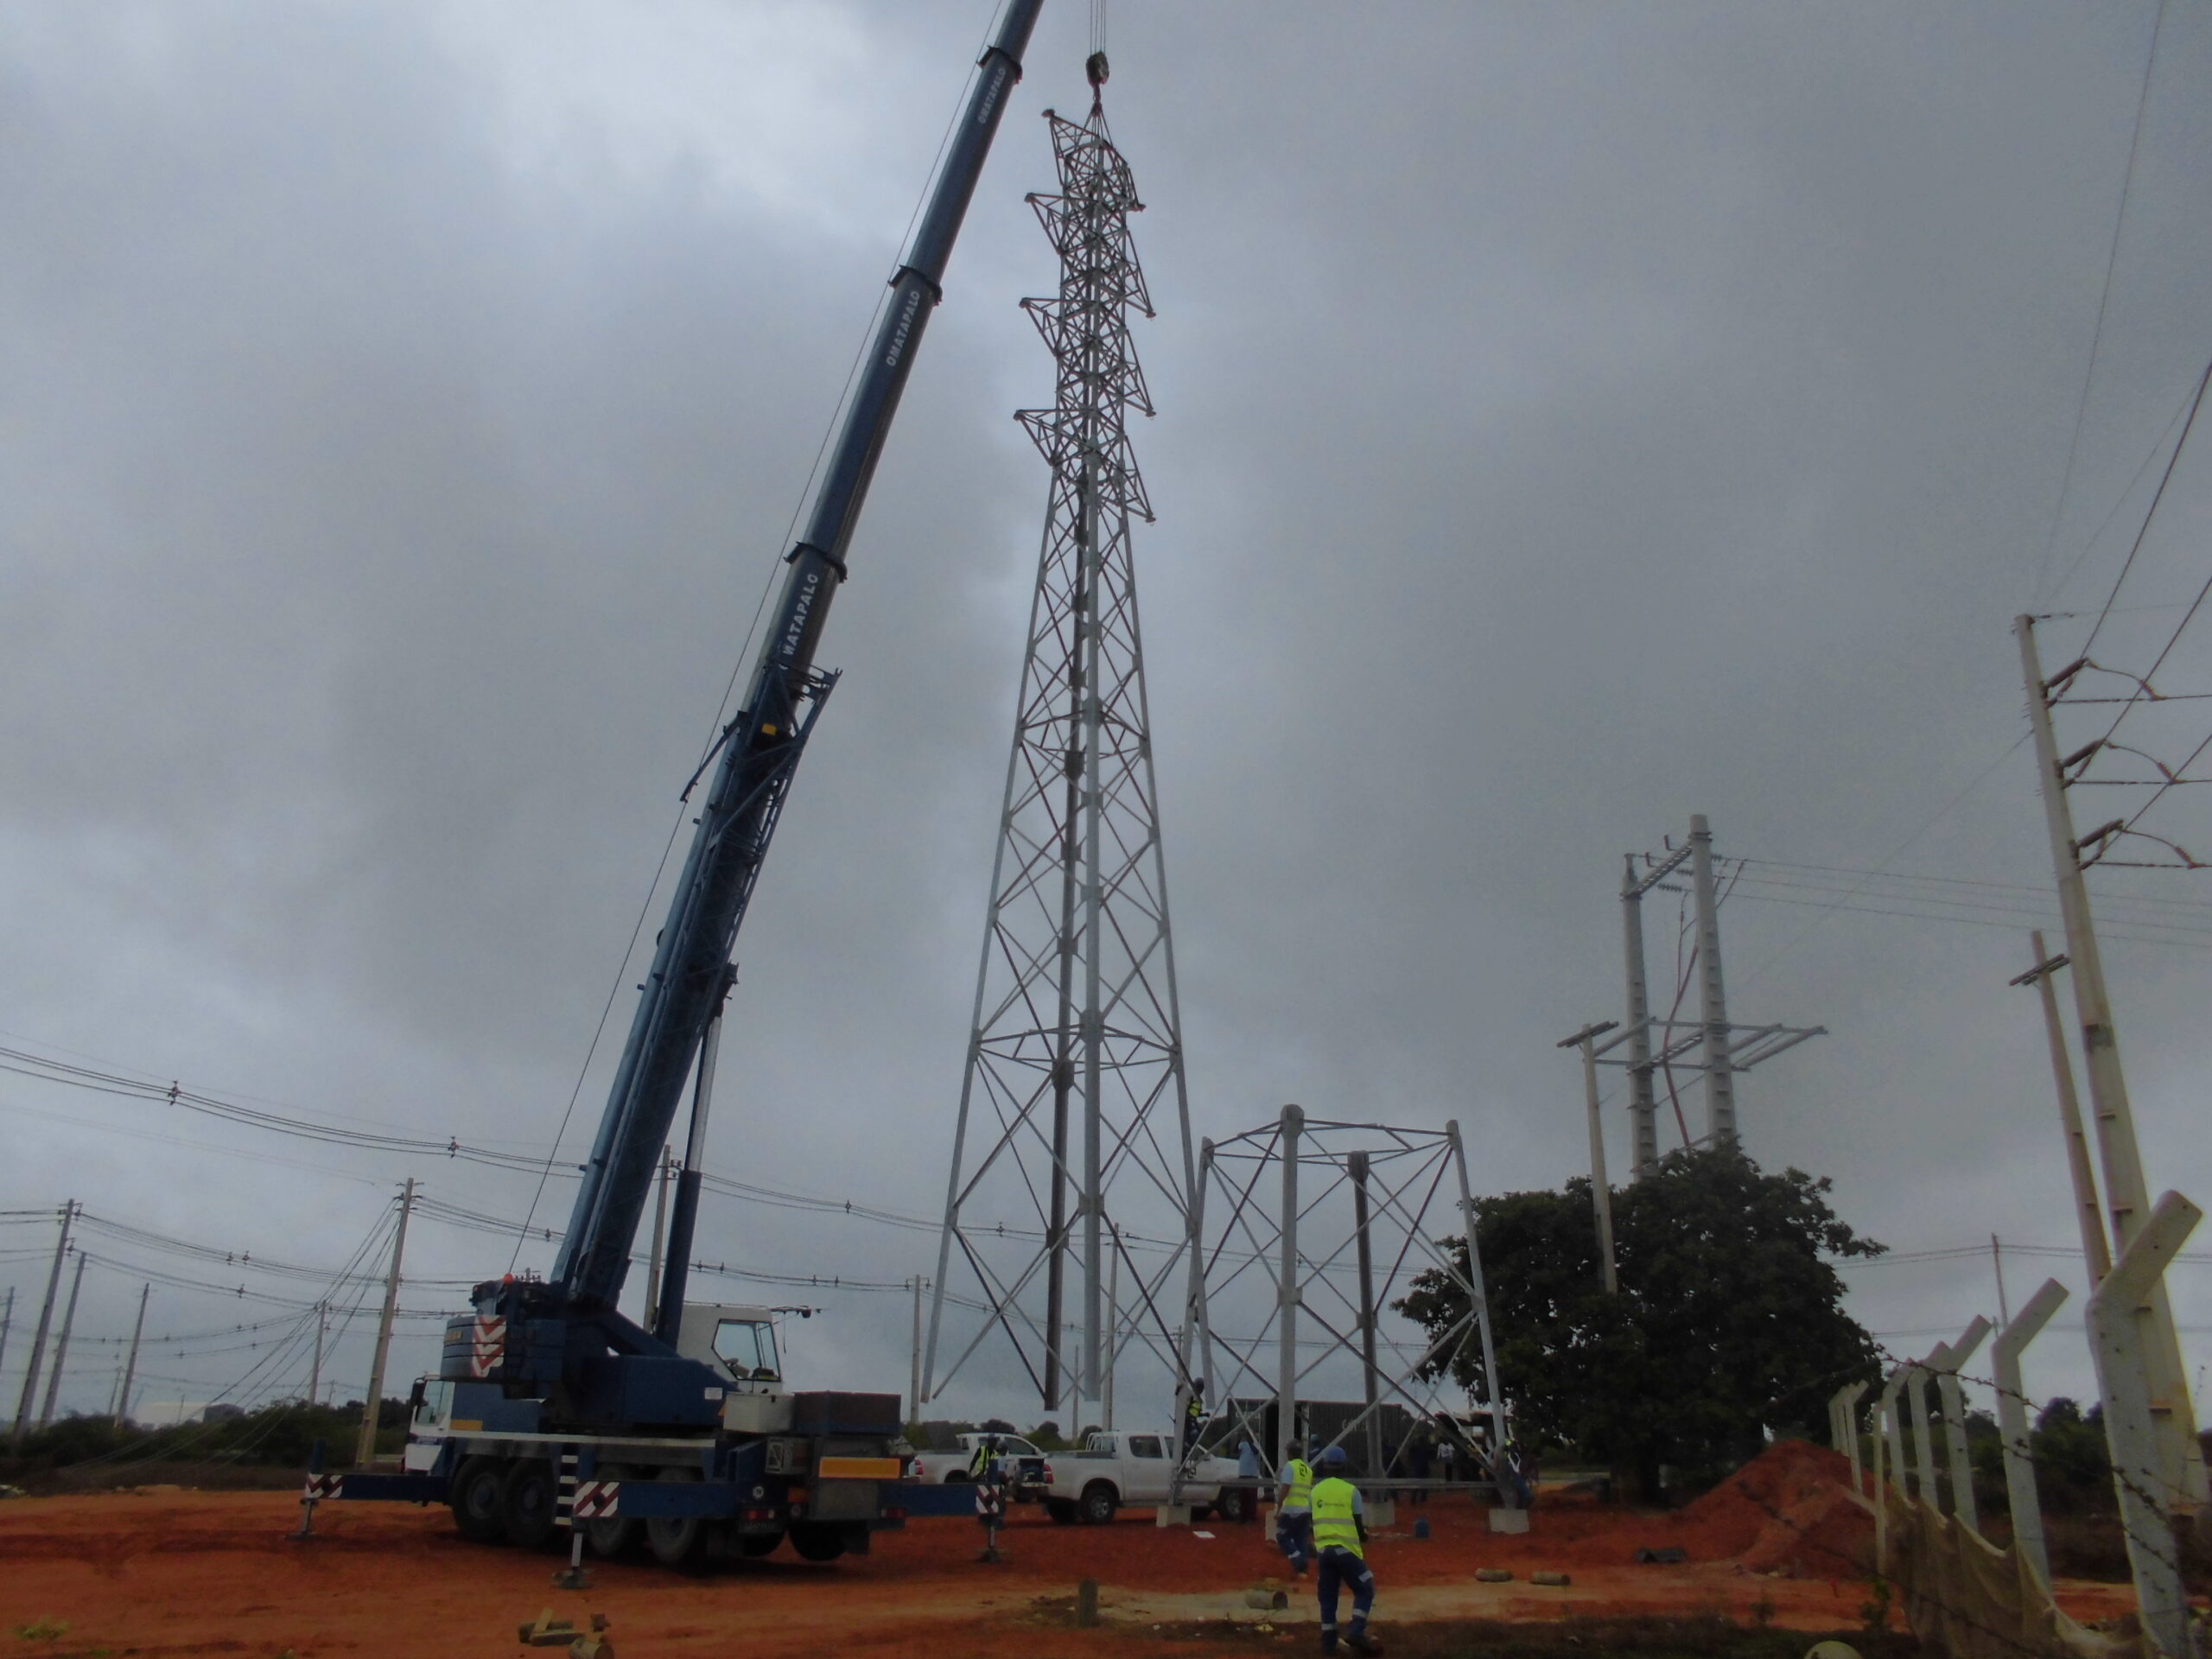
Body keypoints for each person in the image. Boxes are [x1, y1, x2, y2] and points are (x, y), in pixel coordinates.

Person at [1310, 1446, 1380, 1656]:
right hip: (1346, 1550)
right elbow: (1358, 1526)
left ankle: (1328, 1645)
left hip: (1324, 1552)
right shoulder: (1351, 1491)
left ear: (1325, 1466)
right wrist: (1364, 1537)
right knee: (1365, 1587)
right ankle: (1356, 1630)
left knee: (1328, 1597)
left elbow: (1310, 1519)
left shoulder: (1315, 1492)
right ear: (1344, 1467)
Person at [1275, 1440, 1316, 1576]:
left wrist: (1278, 1506)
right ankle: (1302, 1570)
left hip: (1291, 1509)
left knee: (1282, 1536)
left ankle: (1298, 1559)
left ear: (1290, 1453)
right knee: (1301, 1539)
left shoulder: (1290, 1466)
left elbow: (1285, 1487)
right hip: (1305, 1509)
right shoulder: (1308, 1469)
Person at [1183, 1377, 1206, 1456]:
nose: (1201, 1390)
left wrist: (1205, 1414)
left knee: (1198, 1433)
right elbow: (1186, 1407)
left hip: (1193, 1419)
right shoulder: (1191, 1395)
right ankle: (1186, 1448)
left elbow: (1196, 1412)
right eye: (1200, 1387)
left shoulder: (1198, 1399)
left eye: (1202, 1388)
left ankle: (1189, 1448)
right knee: (1193, 1433)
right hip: (1188, 1420)